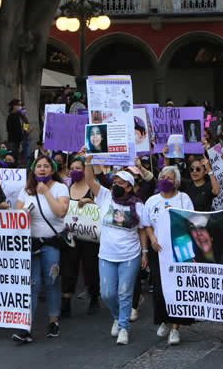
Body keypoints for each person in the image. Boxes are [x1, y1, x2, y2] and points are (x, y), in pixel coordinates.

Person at [80, 147, 147, 345]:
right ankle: (118, 316)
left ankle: (124, 327)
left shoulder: (138, 205)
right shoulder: (105, 197)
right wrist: (88, 162)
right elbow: (91, 181)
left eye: (121, 182)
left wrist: (144, 252)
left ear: (129, 187)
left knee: (125, 292)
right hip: (107, 255)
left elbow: (142, 229)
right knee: (107, 293)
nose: (116, 184)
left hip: (129, 255)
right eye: (115, 181)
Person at [12, 155, 70, 343]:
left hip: (51, 242)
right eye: (39, 166)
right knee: (32, 284)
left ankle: (54, 321)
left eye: (46, 166)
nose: (42, 169)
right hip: (31, 243)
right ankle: (25, 327)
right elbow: (16, 217)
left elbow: (61, 211)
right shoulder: (26, 190)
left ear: (52, 170)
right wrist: (24, 212)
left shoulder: (60, 188)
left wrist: (46, 193)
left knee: (51, 281)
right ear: (33, 170)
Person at [144, 166, 194, 345]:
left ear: (177, 182)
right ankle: (164, 319)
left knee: (178, 289)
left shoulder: (183, 199)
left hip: (179, 251)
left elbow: (191, 221)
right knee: (159, 289)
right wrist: (152, 239)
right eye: (163, 177)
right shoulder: (151, 200)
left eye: (170, 178)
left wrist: (176, 213)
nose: (166, 180)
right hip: (159, 251)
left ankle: (175, 328)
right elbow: (147, 223)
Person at [61, 156, 100, 316]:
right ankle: (66, 302)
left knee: (90, 267)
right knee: (69, 267)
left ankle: (94, 297)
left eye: (78, 168)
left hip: (90, 236)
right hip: (70, 235)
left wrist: (90, 202)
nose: (75, 171)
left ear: (85, 170)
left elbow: (103, 206)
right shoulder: (65, 188)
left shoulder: (93, 188)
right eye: (72, 168)